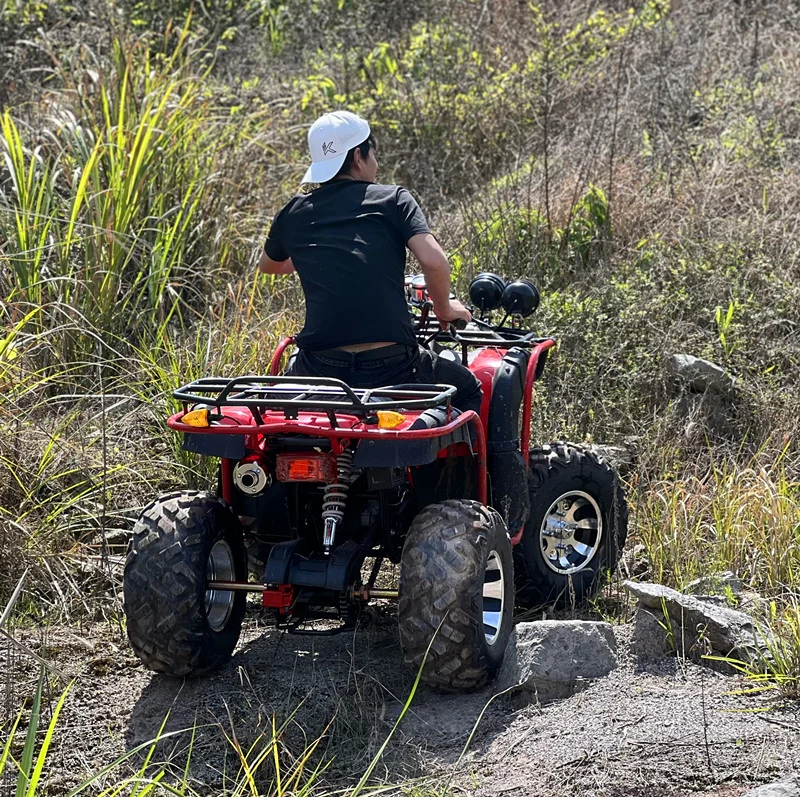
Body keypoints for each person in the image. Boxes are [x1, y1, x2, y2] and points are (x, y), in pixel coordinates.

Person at [258, 110, 482, 418]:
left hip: (320, 367)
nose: (375, 162)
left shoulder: (293, 213)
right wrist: (445, 310)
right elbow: (433, 261)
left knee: (273, 421)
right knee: (469, 389)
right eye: (373, 152)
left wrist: (313, 253)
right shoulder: (393, 200)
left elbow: (269, 265)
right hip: (394, 366)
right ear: (359, 155)